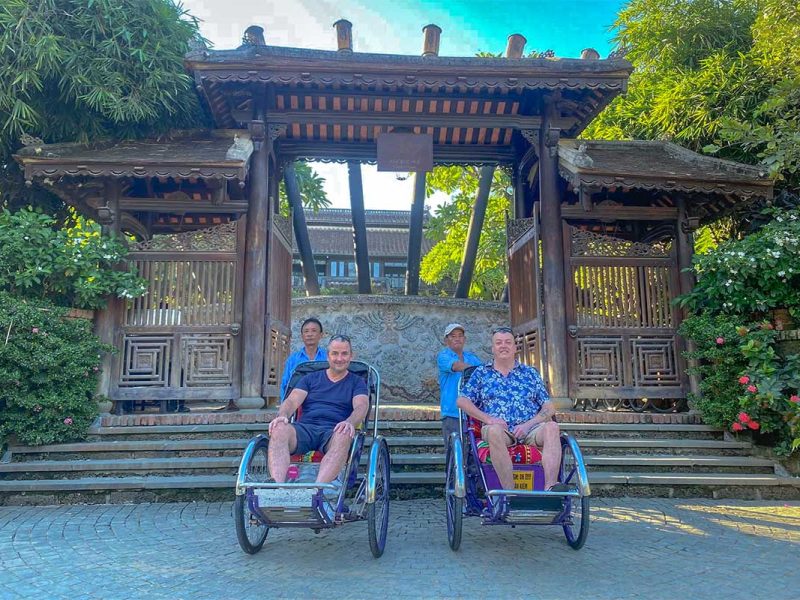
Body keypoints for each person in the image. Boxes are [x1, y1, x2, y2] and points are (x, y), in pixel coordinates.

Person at [457, 326, 568, 505]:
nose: (503, 346)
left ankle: (550, 489)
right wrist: (489, 419)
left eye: (508, 342)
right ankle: (510, 495)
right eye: (498, 343)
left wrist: (528, 424)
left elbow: (549, 407)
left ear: (515, 347)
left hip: (531, 429)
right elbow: (462, 401)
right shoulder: (481, 373)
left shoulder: (530, 374)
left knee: (552, 427)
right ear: (492, 348)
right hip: (498, 429)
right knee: (493, 431)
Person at [268, 334, 368, 497]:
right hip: (305, 428)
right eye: (335, 353)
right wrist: (282, 415)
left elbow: (361, 406)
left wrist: (349, 422)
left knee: (344, 434)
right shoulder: (310, 378)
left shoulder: (357, 382)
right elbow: (292, 401)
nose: (339, 358)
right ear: (328, 355)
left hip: (334, 430)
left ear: (351, 356)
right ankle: (278, 492)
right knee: (279, 428)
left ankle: (316, 493)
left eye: (344, 354)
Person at [437, 323, 482, 447]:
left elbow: (484, 374)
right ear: (446, 340)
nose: (457, 338)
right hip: (452, 413)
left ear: (465, 339)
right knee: (455, 452)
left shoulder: (472, 358)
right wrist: (478, 370)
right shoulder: (443, 356)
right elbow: (456, 366)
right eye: (453, 336)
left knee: (474, 450)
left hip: (472, 413)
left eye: (460, 336)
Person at [279, 317, 327, 401]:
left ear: (321, 335)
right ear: (302, 336)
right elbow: (285, 384)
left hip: (322, 401)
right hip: (298, 403)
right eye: (306, 331)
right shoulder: (293, 359)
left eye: (314, 331)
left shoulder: (328, 358)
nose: (310, 334)